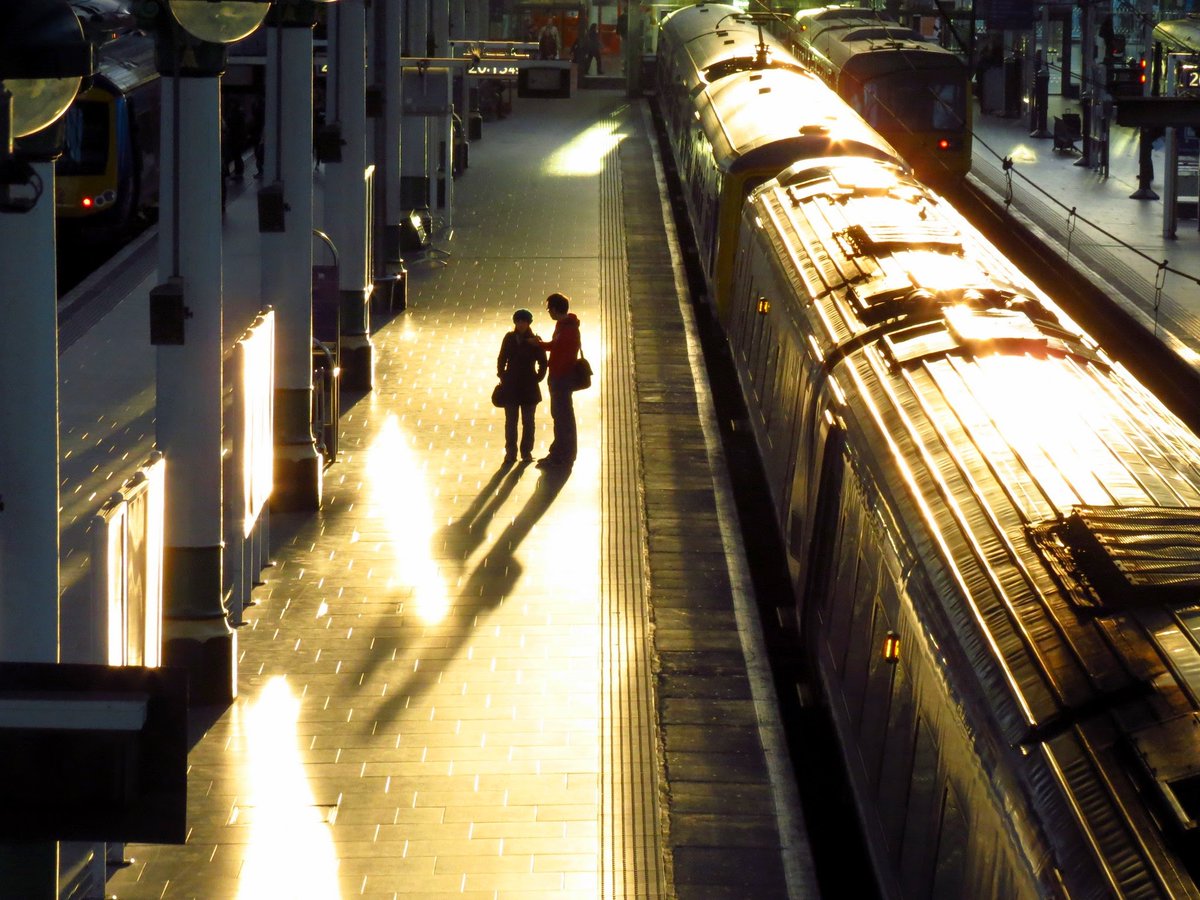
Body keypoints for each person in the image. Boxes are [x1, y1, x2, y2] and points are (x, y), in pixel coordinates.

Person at [533, 292, 580, 468]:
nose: (548, 313)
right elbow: (554, 346)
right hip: (558, 378)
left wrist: (540, 345)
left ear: (554, 309)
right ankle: (559, 452)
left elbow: (559, 350)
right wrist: (540, 344)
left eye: (549, 309)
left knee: (563, 418)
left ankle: (563, 455)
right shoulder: (563, 324)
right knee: (560, 417)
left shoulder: (568, 329)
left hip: (562, 379)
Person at [497, 308, 547, 464]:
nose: (520, 324)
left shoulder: (535, 340)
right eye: (518, 321)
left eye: (523, 321)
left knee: (528, 421)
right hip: (511, 385)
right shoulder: (509, 338)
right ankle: (510, 452)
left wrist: (538, 377)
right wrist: (502, 374)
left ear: (529, 323)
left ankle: (526, 452)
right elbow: (502, 357)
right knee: (511, 421)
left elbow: (543, 362)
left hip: (528, 386)